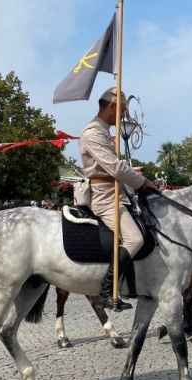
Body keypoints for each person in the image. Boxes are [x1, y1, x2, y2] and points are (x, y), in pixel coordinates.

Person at [81, 87, 158, 310]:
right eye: (122, 110)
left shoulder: (104, 132)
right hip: (105, 197)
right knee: (135, 239)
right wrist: (143, 183)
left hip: (119, 194)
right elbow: (115, 168)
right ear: (112, 107)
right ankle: (106, 291)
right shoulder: (93, 132)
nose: (124, 115)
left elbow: (118, 169)